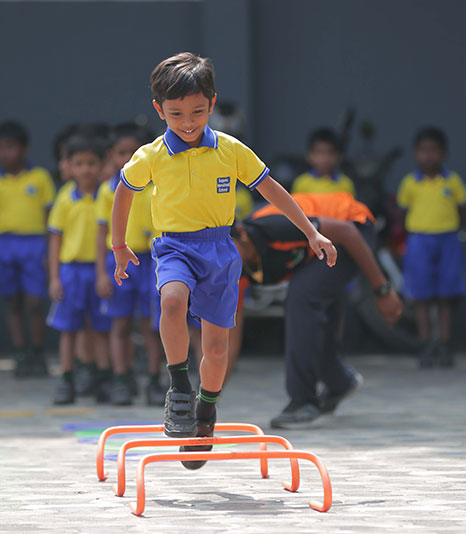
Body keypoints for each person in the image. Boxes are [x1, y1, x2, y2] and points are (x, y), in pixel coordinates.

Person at [111, 52, 336, 469]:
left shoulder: (231, 150)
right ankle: (179, 387)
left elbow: (273, 190)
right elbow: (124, 190)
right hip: (174, 245)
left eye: (197, 111)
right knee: (172, 301)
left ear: (212, 104)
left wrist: (311, 231)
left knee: (216, 348)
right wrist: (119, 245)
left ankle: (206, 412)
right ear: (160, 110)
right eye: (176, 113)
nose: (188, 121)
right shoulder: (152, 155)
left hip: (219, 250)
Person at [231, 192, 403, 428]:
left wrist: (382, 289)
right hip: (320, 249)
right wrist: (209, 395)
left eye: (225, 248)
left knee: (301, 297)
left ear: (241, 233)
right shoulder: (230, 269)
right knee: (310, 306)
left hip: (351, 225)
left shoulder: (274, 225)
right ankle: (340, 382)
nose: (220, 259)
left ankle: (303, 401)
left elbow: (347, 232)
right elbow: (230, 335)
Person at [96, 123, 166, 406]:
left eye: (132, 152)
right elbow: (100, 232)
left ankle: (154, 379)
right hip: (119, 260)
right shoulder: (106, 190)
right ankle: (122, 379)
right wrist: (100, 272)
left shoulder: (155, 185)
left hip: (152, 260)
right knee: (120, 323)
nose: (126, 158)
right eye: (120, 153)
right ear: (110, 156)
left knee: (152, 324)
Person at [0, 121, 55, 377]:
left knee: (35, 302)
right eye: (0, 148)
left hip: (34, 244)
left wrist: (49, 252)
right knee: (12, 302)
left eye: (10, 147)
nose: (5, 153)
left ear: (23, 149)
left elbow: (51, 219)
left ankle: (37, 351)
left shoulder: (40, 178)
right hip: (4, 245)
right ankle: (20, 353)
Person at [47, 137, 112, 405]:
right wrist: (54, 277)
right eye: (79, 164)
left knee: (100, 328)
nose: (85, 169)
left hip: (98, 270)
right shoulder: (64, 198)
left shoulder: (106, 196)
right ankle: (66, 379)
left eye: (91, 163)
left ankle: (102, 378)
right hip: (71, 272)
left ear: (101, 166)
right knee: (69, 329)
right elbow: (55, 238)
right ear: (69, 167)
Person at [397, 127, 466, 368]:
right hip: (418, 241)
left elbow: (462, 210)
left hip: (448, 240)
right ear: (416, 154)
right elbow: (403, 211)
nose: (428, 156)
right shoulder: (409, 184)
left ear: (444, 154)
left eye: (433, 151)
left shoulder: (453, 181)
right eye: (423, 151)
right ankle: (425, 344)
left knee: (446, 296)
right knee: (421, 297)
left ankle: (446, 344)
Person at [291, 128, 355, 196]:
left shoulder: (346, 184)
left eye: (330, 153)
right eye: (319, 152)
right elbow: (293, 206)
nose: (325, 158)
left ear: (339, 156)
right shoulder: (301, 183)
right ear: (309, 156)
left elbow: (351, 206)